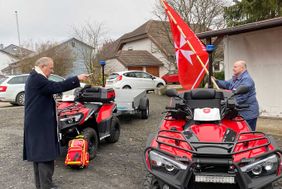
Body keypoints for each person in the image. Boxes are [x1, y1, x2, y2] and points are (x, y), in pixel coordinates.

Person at [23, 57, 89, 189]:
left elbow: (50, 89)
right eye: (51, 68)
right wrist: (77, 78)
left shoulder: (35, 77)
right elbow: (57, 86)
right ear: (43, 66)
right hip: (40, 124)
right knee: (44, 155)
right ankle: (46, 186)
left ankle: (42, 185)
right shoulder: (37, 79)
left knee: (39, 156)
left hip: (37, 123)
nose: (52, 71)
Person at [214, 60, 259, 131]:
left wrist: (226, 103)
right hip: (240, 113)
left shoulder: (246, 80)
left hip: (247, 113)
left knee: (247, 134)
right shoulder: (236, 78)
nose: (233, 68)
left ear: (242, 68)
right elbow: (227, 84)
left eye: (235, 67)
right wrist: (216, 81)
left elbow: (241, 97)